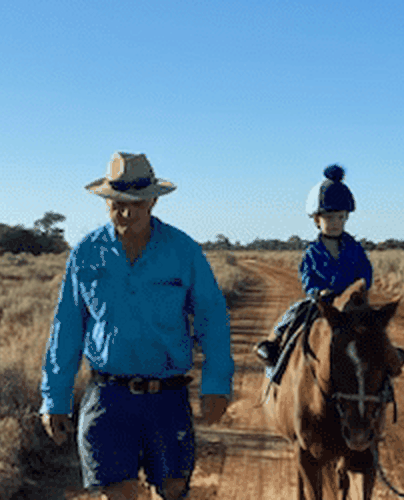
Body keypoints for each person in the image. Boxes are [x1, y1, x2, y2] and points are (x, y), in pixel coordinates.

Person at [40, 152, 233, 500]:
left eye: (137, 204)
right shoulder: (86, 254)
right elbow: (66, 327)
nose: (127, 212)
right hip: (108, 399)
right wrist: (54, 398)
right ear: (106, 201)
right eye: (117, 203)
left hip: (167, 397)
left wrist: (216, 385)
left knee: (172, 491)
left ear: (154, 200)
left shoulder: (183, 251)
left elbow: (212, 318)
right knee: (116, 494)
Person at [253, 164, 375, 369]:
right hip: (322, 302)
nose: (335, 222)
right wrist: (317, 292)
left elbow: (365, 272)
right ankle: (273, 348)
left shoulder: (355, 249)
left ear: (346, 217)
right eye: (328, 217)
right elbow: (308, 276)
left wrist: (359, 289)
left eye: (340, 217)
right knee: (295, 312)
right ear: (317, 220)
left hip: (351, 301)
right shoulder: (312, 251)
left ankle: (388, 359)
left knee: (375, 327)